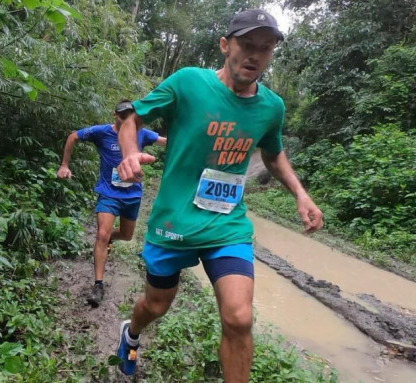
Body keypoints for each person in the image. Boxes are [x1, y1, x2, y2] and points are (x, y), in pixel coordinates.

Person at [113, 10, 324, 382]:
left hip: (226, 225)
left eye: (266, 47)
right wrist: (129, 153)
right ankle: (131, 333)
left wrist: (300, 194)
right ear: (226, 46)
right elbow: (131, 116)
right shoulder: (189, 83)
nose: (255, 55)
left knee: (239, 318)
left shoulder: (271, 107)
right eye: (247, 44)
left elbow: (272, 154)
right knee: (156, 305)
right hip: (173, 222)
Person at [57, 100, 166, 306]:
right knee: (102, 234)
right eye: (123, 115)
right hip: (108, 193)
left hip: (132, 195)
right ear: (115, 114)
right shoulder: (101, 132)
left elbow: (164, 141)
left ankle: (109, 240)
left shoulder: (140, 133)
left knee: (126, 235)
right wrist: (64, 165)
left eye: (130, 116)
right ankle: (98, 284)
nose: (126, 120)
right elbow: (73, 136)